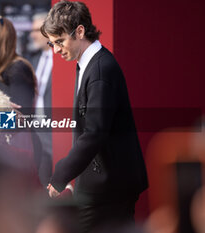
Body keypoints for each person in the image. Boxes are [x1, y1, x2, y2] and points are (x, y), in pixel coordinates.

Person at [41, 1, 148, 231]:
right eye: (52, 43)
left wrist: (62, 174)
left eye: (60, 41)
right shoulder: (90, 64)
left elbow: (94, 133)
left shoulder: (100, 69)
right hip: (103, 184)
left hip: (110, 188)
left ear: (80, 31)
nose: (56, 49)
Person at [28, 12, 53, 187]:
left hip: (56, 127)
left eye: (37, 30)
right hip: (34, 127)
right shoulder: (33, 60)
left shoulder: (62, 59)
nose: (33, 34)